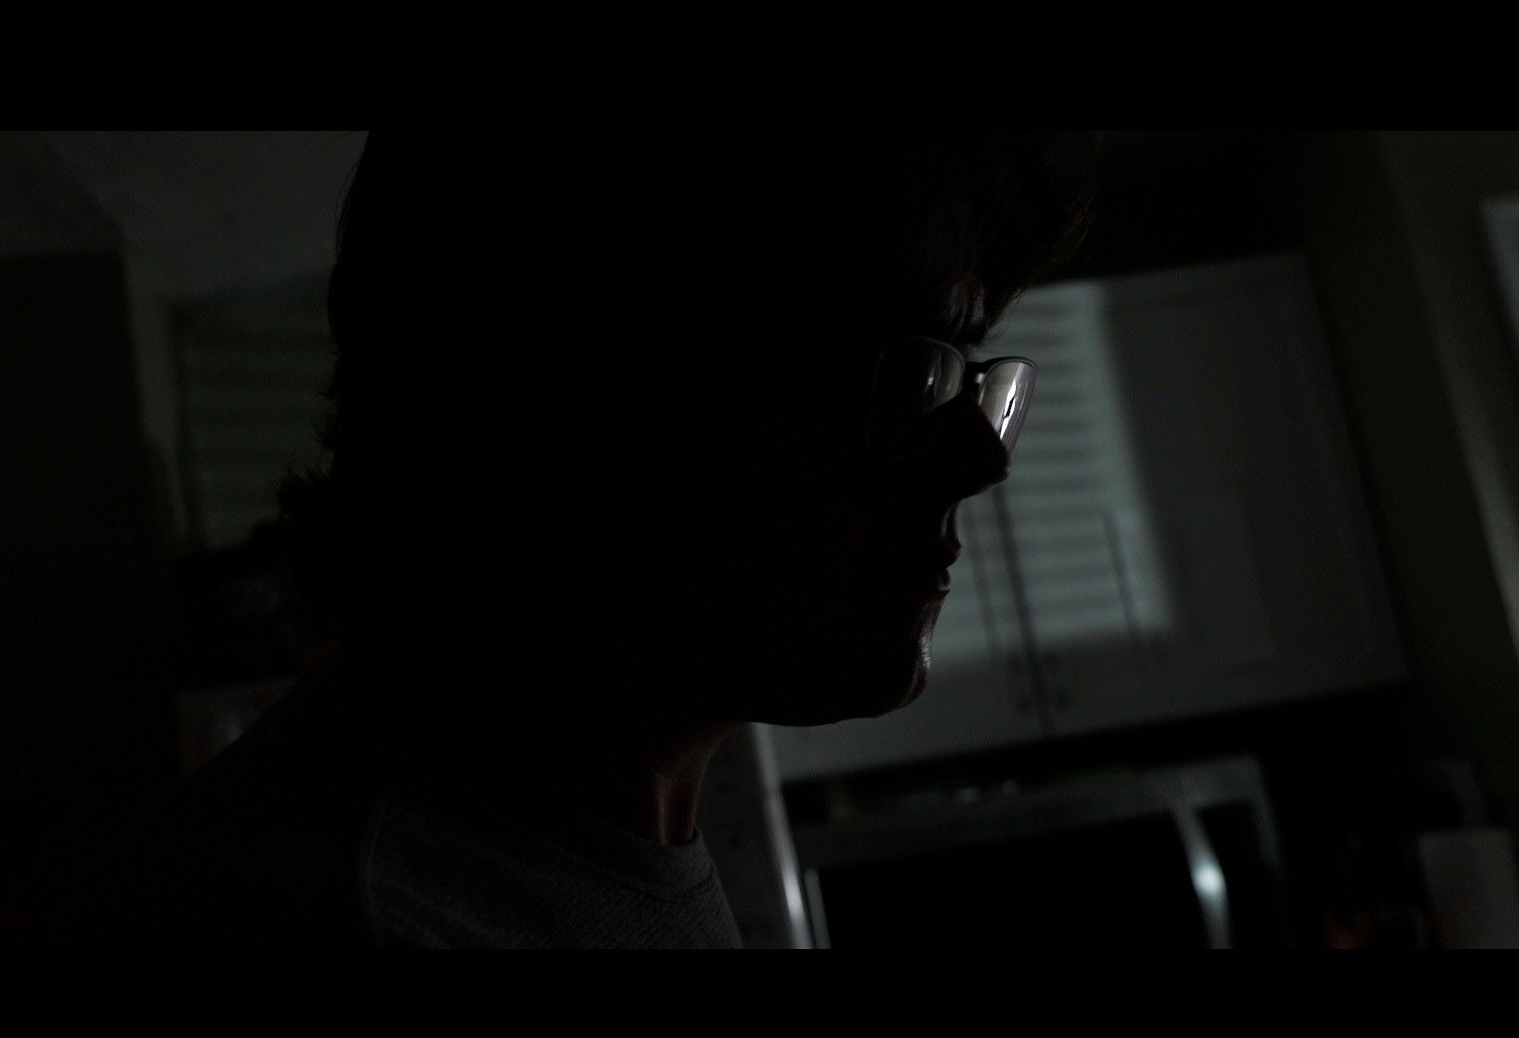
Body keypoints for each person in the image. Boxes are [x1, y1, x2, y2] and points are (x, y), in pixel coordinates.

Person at [70, 130, 1097, 947]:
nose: (978, 457)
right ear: (558, 383)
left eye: (962, 371)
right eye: (899, 371)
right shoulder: (338, 918)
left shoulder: (594, 830)